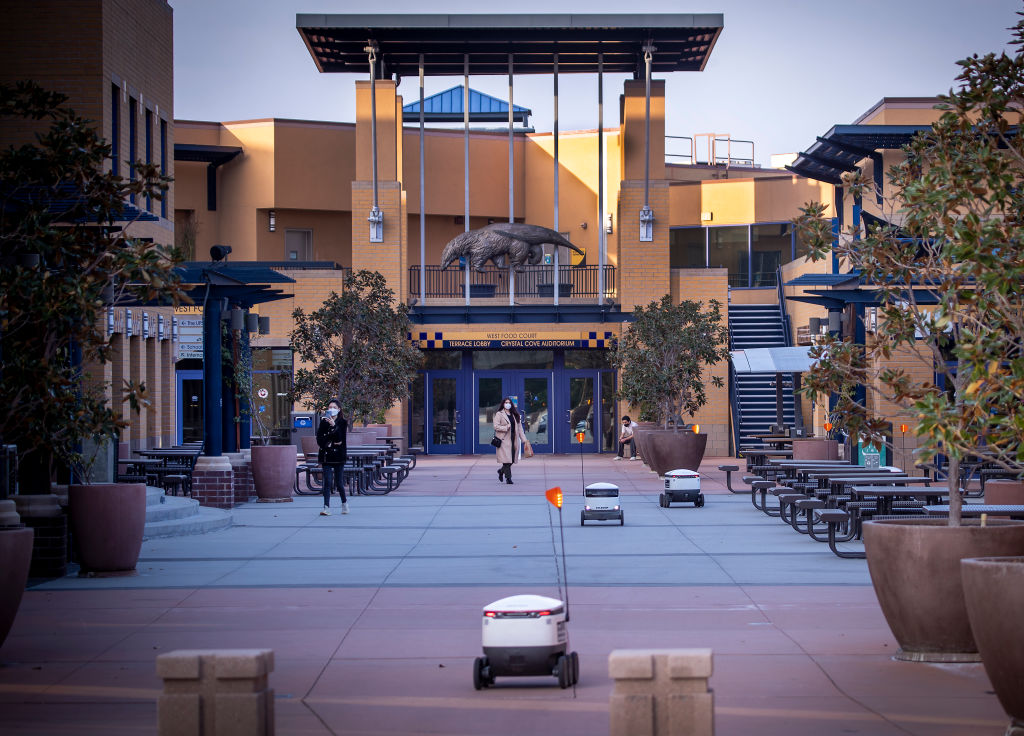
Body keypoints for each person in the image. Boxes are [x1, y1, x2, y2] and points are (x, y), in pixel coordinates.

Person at [316, 398, 349, 515]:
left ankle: (344, 504)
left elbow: (340, 440)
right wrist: (330, 443)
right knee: (327, 482)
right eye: (330, 407)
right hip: (326, 456)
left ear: (339, 409)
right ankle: (326, 507)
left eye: (334, 408)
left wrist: (334, 426)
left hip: (339, 457)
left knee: (339, 483)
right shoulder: (323, 422)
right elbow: (320, 439)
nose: (332, 409)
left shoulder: (342, 422)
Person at [493, 397, 527, 484]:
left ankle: (501, 471)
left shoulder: (514, 414)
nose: (507, 404)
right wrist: (506, 427)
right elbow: (496, 426)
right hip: (504, 439)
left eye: (509, 403)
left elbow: (520, 429)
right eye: (506, 402)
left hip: (514, 438)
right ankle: (508, 478)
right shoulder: (499, 414)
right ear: (503, 404)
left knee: (511, 459)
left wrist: (524, 440)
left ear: (511, 404)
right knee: (507, 459)